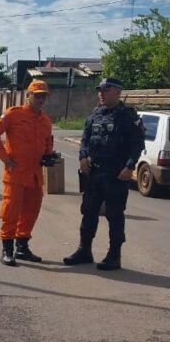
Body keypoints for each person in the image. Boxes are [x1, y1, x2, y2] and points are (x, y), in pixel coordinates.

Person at [63, 77, 145, 271]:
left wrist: (130, 166)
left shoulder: (128, 116)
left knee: (115, 215)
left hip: (116, 174)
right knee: (88, 212)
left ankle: (114, 256)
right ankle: (84, 250)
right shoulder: (96, 114)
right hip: (94, 174)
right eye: (100, 90)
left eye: (106, 90)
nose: (101, 93)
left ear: (118, 92)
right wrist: (83, 156)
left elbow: (137, 144)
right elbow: (85, 138)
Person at [0, 79, 53, 266]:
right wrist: (5, 158)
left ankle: (22, 247)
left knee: (31, 211)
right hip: (15, 173)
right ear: (28, 95)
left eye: (44, 96)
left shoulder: (45, 120)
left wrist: (48, 155)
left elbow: (48, 142)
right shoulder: (14, 114)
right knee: (10, 212)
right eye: (37, 95)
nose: (41, 99)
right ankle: (7, 250)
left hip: (35, 174)